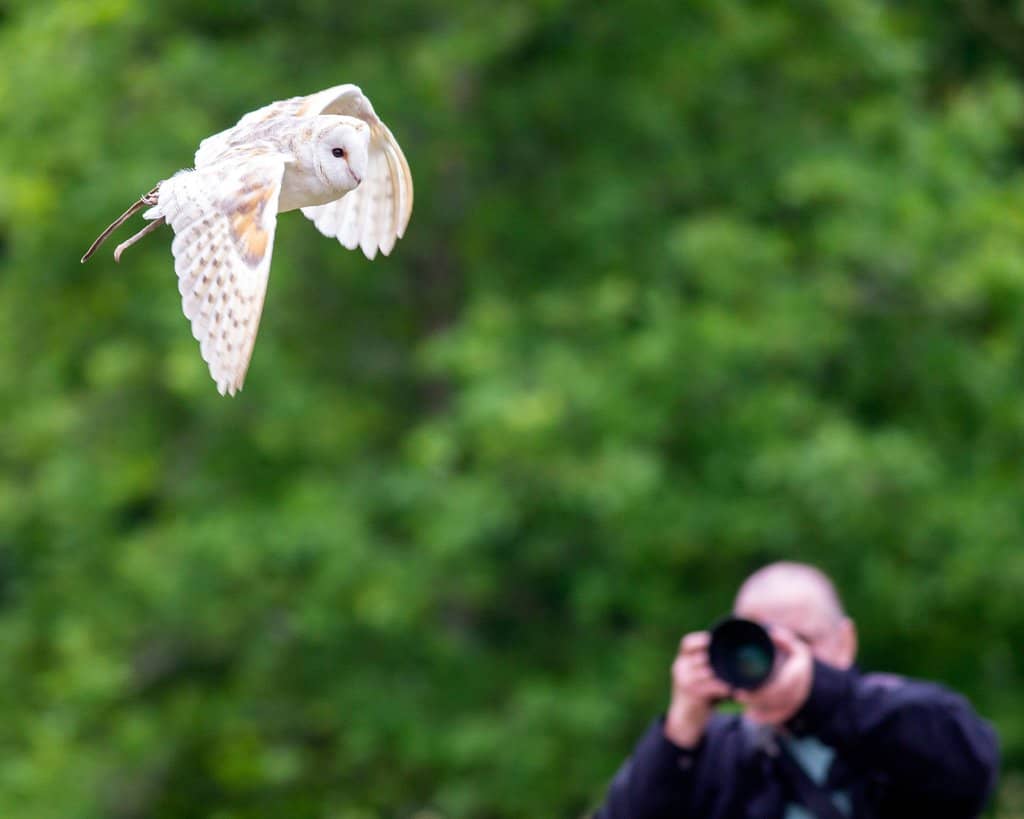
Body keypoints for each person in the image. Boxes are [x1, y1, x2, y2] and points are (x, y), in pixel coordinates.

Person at [593, 561, 999, 819]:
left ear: (845, 642)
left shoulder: (890, 719)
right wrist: (681, 729)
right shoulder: (716, 750)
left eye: (802, 640)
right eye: (764, 645)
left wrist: (819, 695)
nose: (783, 660)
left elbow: (967, 768)